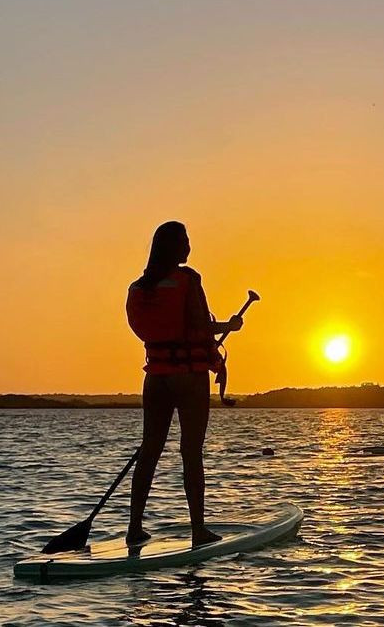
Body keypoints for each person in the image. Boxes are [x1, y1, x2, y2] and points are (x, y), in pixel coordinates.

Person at [124, 221, 244, 546]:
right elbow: (200, 327)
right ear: (173, 248)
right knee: (191, 452)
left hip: (156, 378)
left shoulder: (138, 288)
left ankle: (134, 527)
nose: (189, 247)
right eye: (185, 242)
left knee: (149, 450)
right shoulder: (188, 281)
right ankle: (198, 531)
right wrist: (227, 330)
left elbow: (165, 330)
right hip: (189, 378)